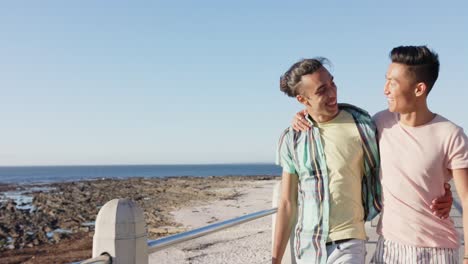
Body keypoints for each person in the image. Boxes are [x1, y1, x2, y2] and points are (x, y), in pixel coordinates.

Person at [290, 46, 467, 263]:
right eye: (386, 80)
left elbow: (466, 200)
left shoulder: (451, 134)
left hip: (436, 251)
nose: (385, 89)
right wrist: (304, 114)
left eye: (393, 82)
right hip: (388, 248)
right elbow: (335, 119)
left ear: (419, 89)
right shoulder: (378, 124)